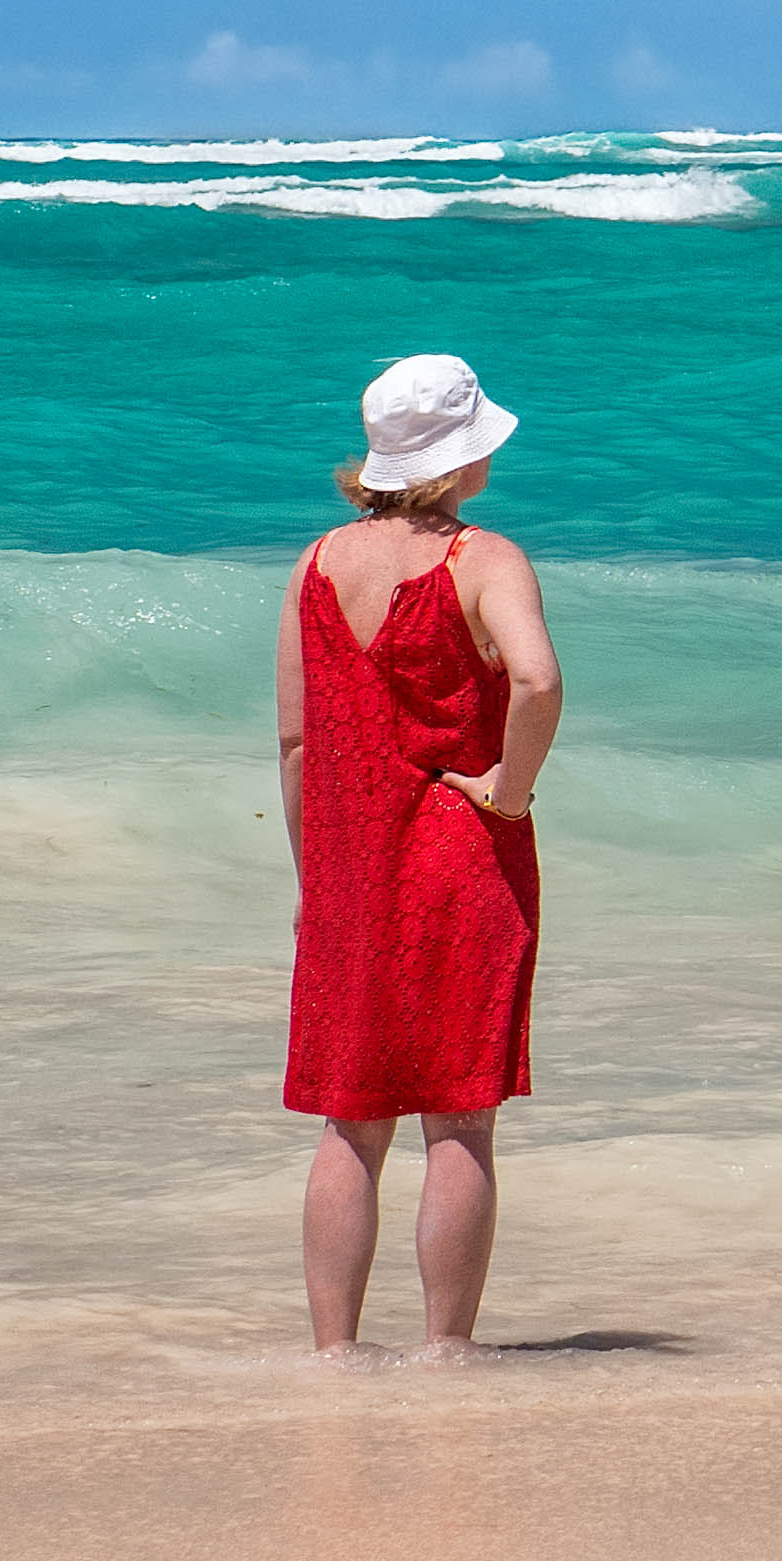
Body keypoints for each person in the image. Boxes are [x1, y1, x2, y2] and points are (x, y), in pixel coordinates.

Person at [275, 353, 563, 1356]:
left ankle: (333, 1357)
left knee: (349, 1124)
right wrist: (508, 789)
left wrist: (319, 879)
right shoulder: (484, 559)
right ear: (461, 456)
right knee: (459, 1122)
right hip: (460, 864)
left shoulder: (315, 563)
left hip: (352, 870)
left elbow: (299, 742)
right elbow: (535, 681)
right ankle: (446, 1352)